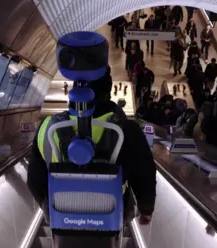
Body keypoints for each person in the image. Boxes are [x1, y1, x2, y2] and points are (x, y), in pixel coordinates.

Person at [27, 66, 156, 226]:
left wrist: (49, 210)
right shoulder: (127, 129)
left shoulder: (47, 128)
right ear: (108, 92)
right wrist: (146, 209)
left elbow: (34, 179)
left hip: (62, 217)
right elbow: (144, 174)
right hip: (113, 216)